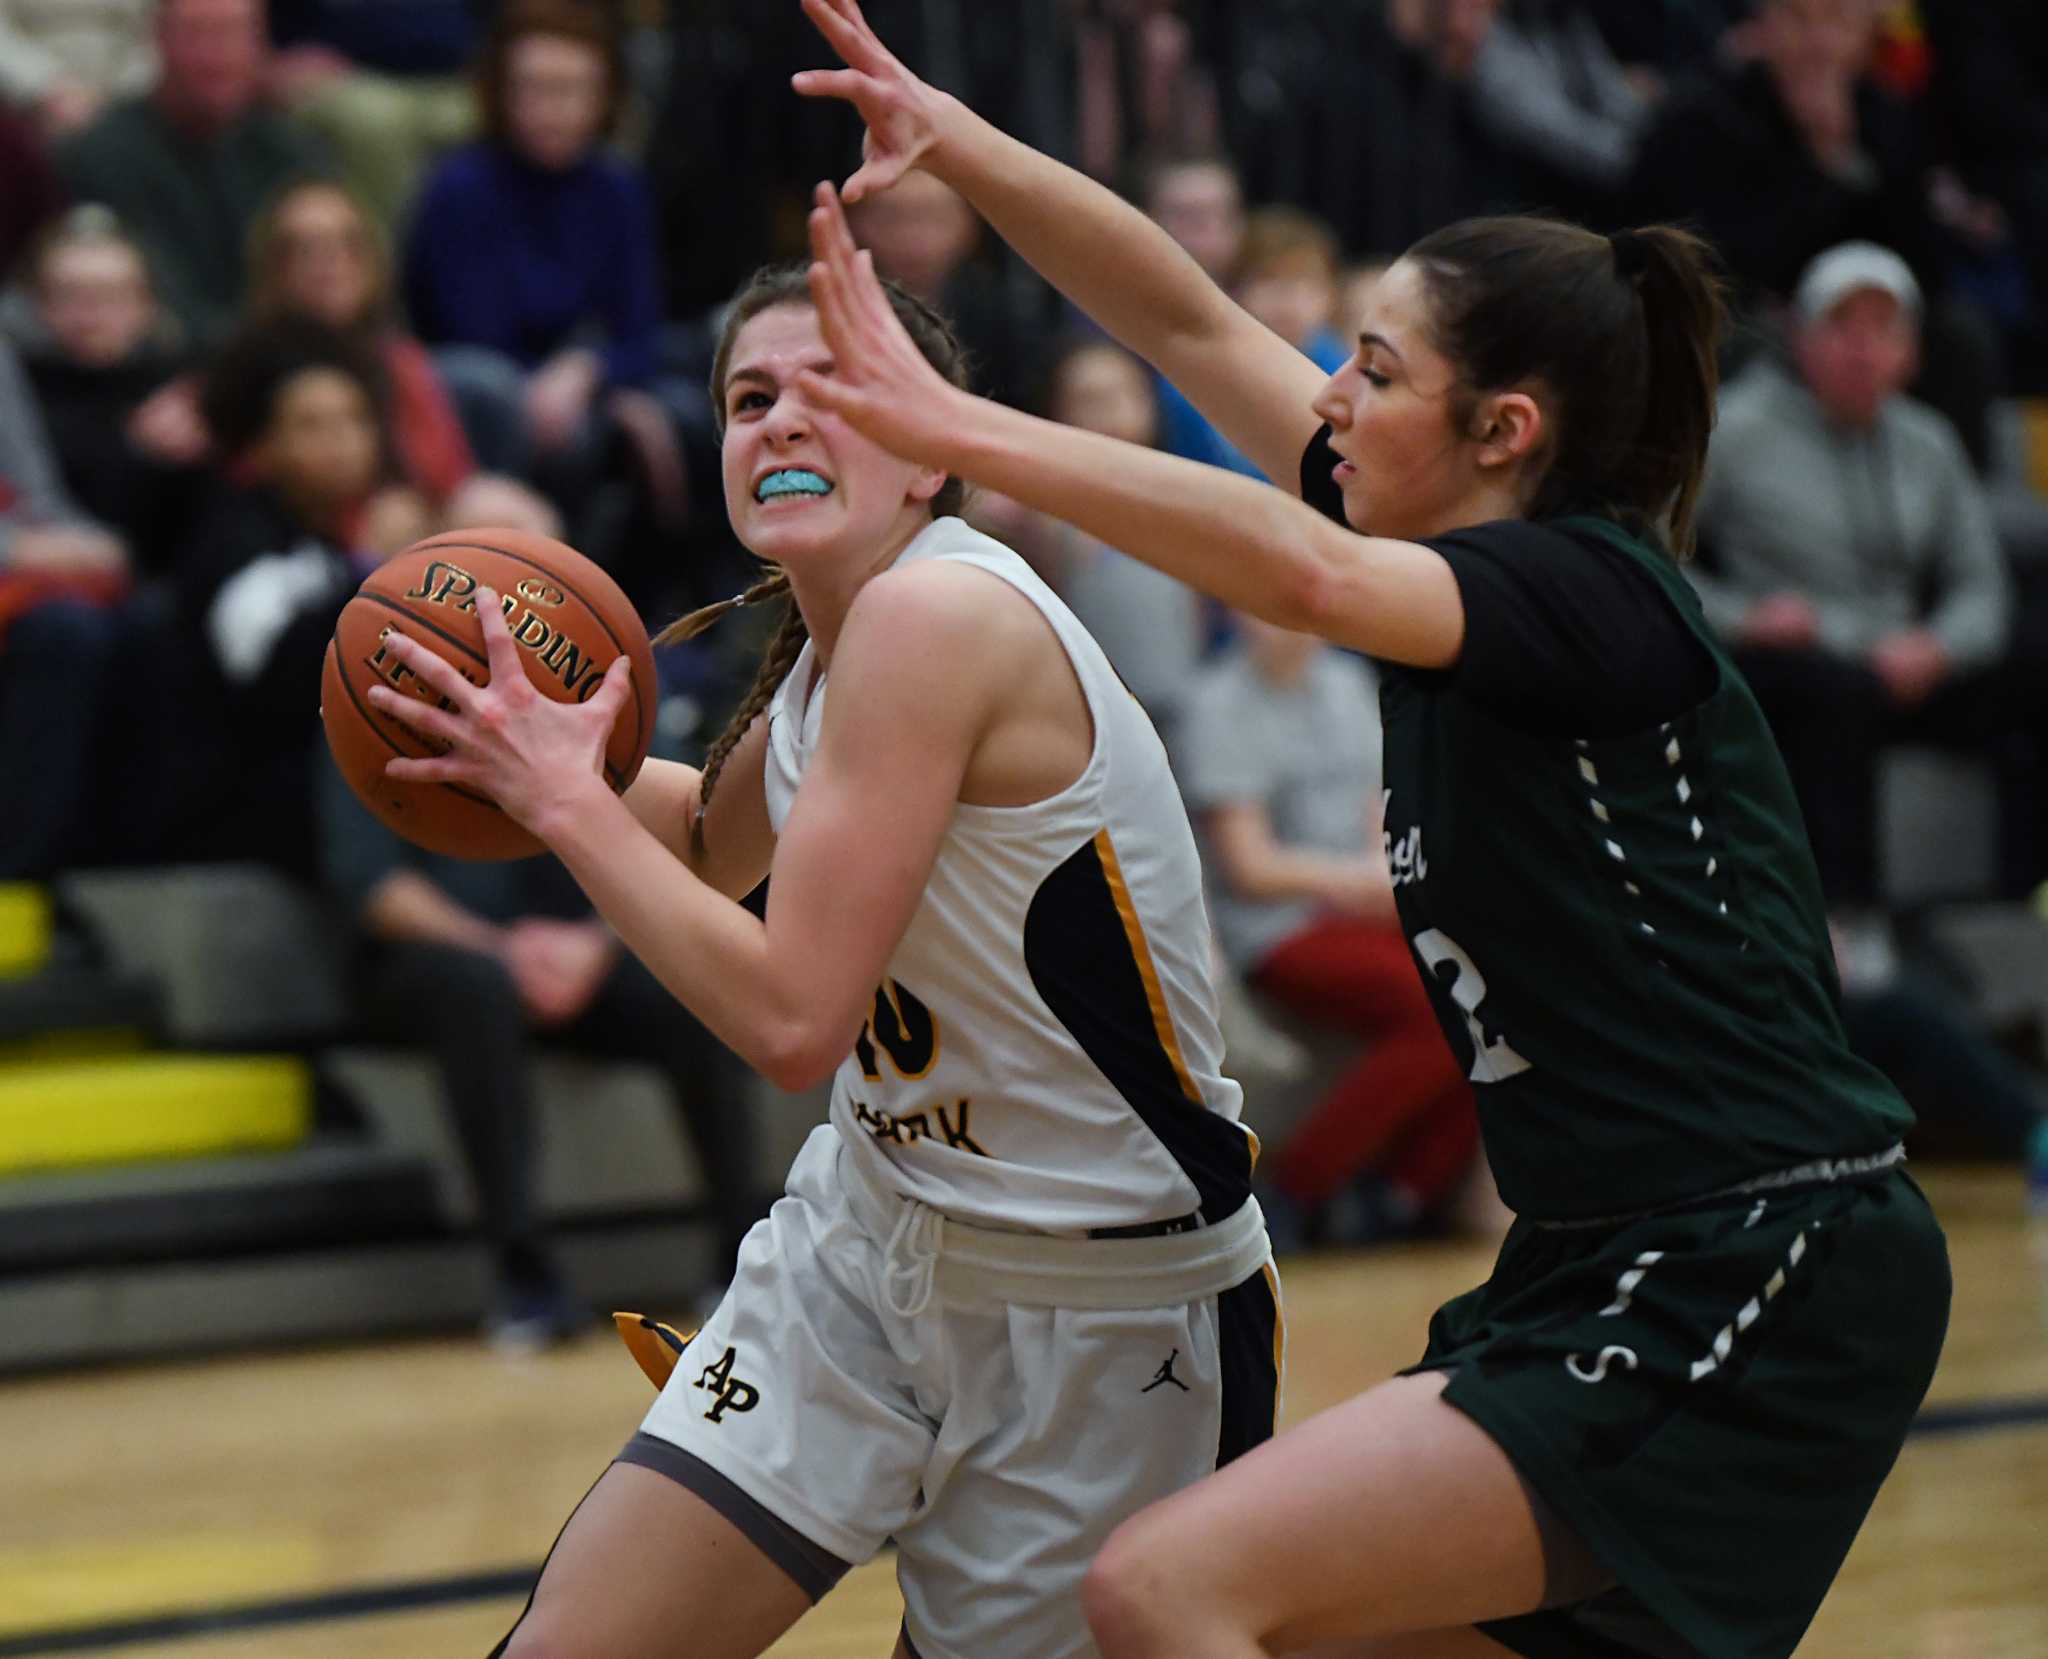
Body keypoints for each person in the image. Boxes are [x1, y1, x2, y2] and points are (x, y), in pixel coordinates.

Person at [790, 4, 1952, 1656]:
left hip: (1756, 1244)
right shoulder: (1430, 530)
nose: (1328, 391)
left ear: (1505, 432)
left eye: (1374, 368)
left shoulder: (1588, 592)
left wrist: (957, 432)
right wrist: (952, 139)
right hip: (1599, 1254)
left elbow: (1301, 572)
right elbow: (1182, 314)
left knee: (1168, 1584)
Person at [364, 261, 1279, 1659]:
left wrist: (560, 802)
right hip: (867, 1241)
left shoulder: (941, 618)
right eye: (747, 399)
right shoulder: (830, 644)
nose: (777, 422)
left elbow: (792, 1017)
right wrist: (522, 742)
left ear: (932, 447)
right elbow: (707, 853)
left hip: (1098, 1308)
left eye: (830, 390)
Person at [1690, 241, 2039, 936]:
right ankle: (1848, 922)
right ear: (1801, 336)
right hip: (1799, 653)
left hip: (1908, 661)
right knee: (1830, 696)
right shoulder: (1734, 427)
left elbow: (1981, 585)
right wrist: (1745, 616)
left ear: (1912, 352)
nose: (1864, 350)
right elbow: (1655, 560)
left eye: (1886, 331)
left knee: (2033, 673)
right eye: (1844, 327)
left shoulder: (1928, 442)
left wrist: (1939, 646)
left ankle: (2015, 905)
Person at [1174, 612, 1484, 1249]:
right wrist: (1358, 883)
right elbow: (1251, 868)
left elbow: (1381, 815)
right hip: (1277, 927)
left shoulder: (1347, 683)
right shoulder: (1216, 705)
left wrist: (1389, 883)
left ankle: (1402, 1195)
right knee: (1437, 1009)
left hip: (1359, 906)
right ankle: (1299, 1188)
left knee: (1487, 987)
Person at [53, 0, 330, 351]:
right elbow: (152, 301)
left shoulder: (293, 152)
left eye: (232, 34)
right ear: (158, 41)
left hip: (280, 366)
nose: (215, 56)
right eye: (197, 35)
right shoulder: (102, 154)